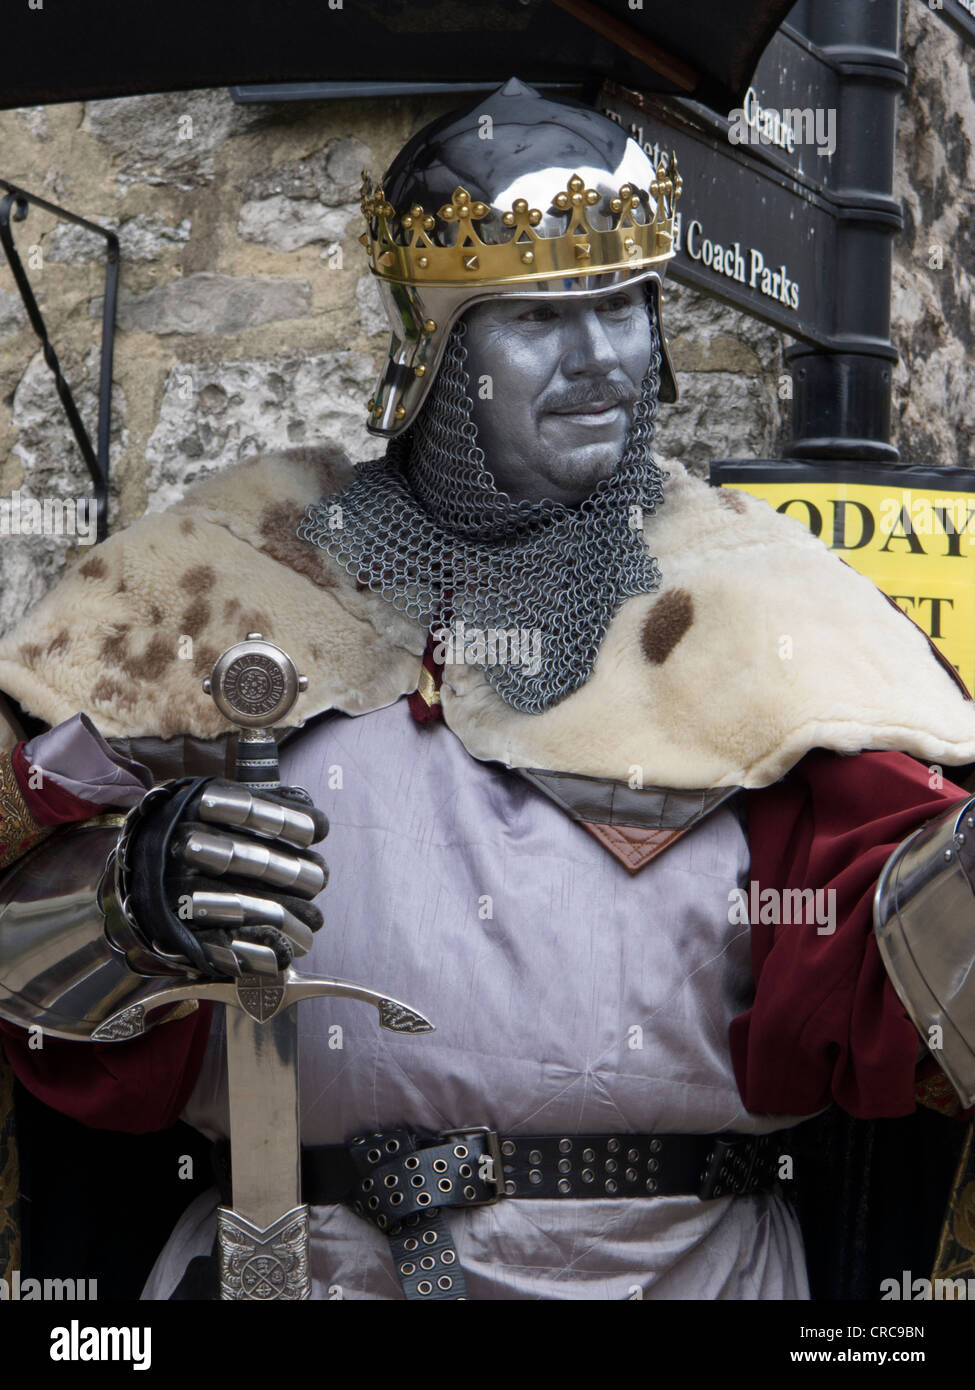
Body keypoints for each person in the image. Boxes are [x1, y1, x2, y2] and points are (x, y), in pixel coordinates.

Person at [1, 77, 975, 1301]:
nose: (602, 358)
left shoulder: (760, 609)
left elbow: (899, 992)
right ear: (435, 347)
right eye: (537, 316)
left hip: (675, 1279)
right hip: (294, 1271)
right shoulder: (224, 577)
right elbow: (23, 947)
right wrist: (135, 894)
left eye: (625, 304)